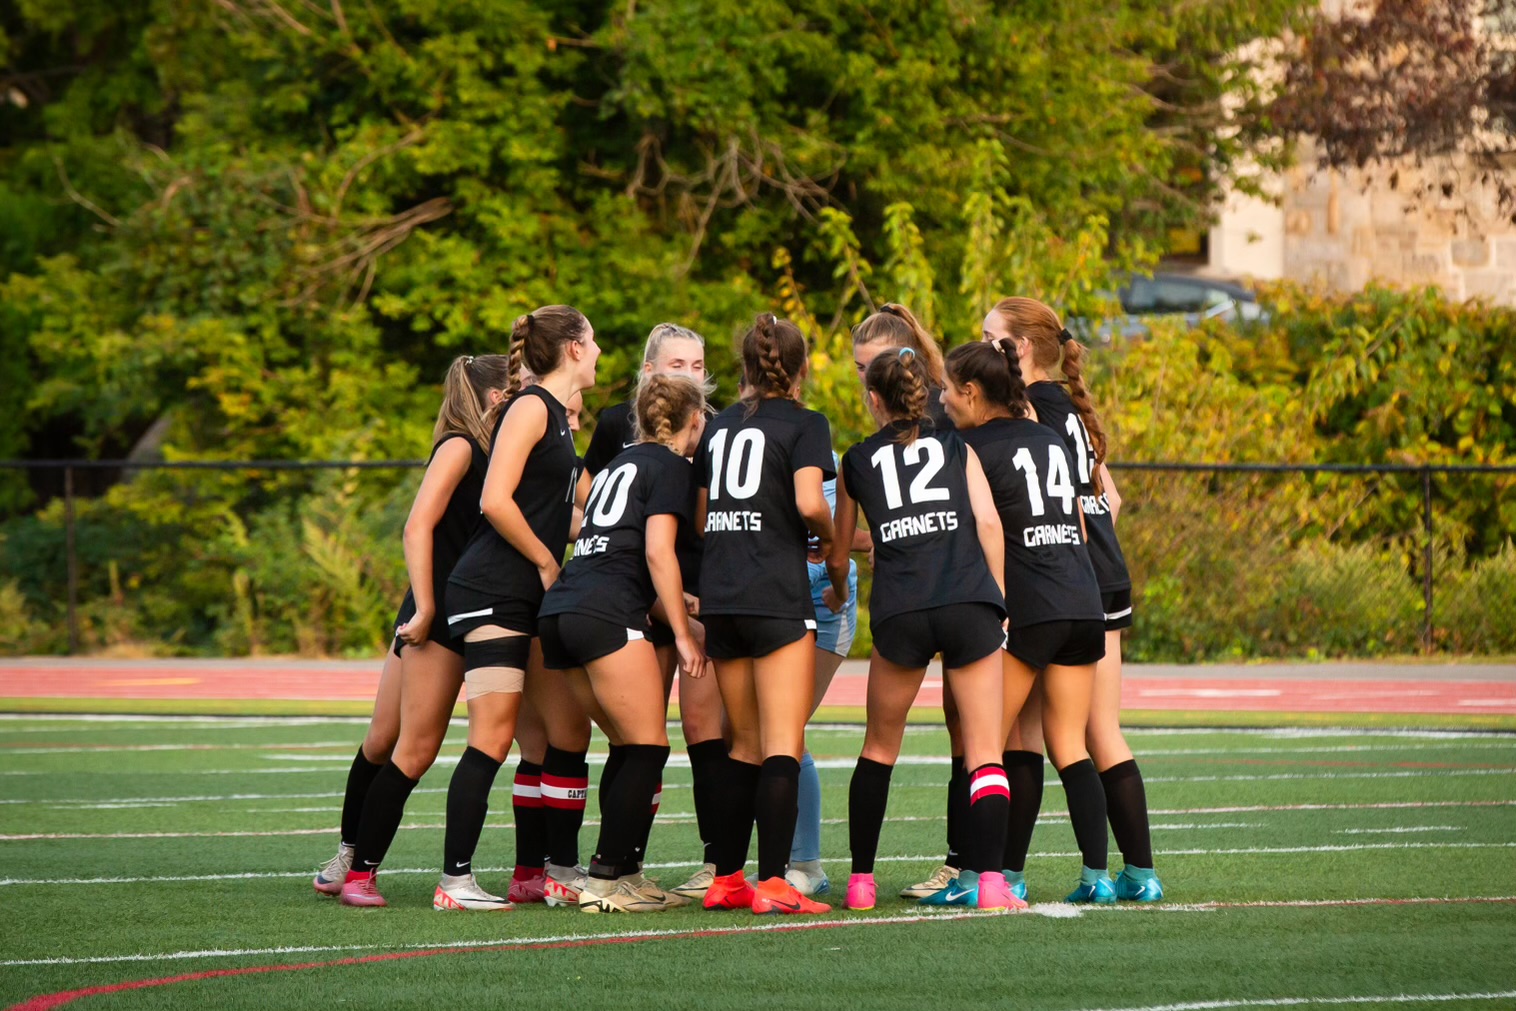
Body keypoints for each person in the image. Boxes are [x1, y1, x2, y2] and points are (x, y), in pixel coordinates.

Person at [340, 305, 598, 911]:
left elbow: (569, 508)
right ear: (572, 350)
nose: (599, 351)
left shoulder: (557, 419)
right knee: (448, 742)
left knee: (522, 739)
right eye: (592, 341)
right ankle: (426, 876)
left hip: (503, 595)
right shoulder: (528, 411)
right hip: (487, 594)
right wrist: (542, 561)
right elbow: (491, 504)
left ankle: (533, 871)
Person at [827, 346, 1019, 912]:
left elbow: (839, 554)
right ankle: (989, 884)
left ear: (873, 399)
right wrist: (999, 599)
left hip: (901, 608)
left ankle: (861, 884)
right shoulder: (957, 444)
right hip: (966, 599)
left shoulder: (856, 461)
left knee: (880, 747)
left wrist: (840, 592)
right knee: (986, 752)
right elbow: (987, 521)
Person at [986, 295, 1161, 903]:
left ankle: (1010, 872)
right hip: (1096, 573)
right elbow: (1108, 497)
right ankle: (1133, 873)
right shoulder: (1072, 406)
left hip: (1062, 577)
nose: (984, 346)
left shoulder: (1026, 408)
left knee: (1044, 734)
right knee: (1083, 732)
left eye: (991, 336)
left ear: (1022, 347)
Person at [314, 354, 508, 898]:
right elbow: (416, 525)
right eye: (513, 390)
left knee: (407, 744)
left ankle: (358, 860)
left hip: (484, 608)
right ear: (497, 398)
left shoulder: (508, 453)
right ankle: (354, 860)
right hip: (436, 612)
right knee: (395, 744)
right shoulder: (460, 447)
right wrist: (424, 606)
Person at [943, 337, 1113, 904]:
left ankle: (979, 876)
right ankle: (1097, 876)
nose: (943, 399)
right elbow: (1084, 527)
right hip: (1082, 598)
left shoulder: (970, 448)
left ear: (972, 393)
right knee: (1070, 745)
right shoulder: (1051, 440)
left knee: (980, 746)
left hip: (1029, 608)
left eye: (947, 389)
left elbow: (974, 531)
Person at [539, 373, 708, 912]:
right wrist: (682, 634)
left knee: (626, 743)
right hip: (604, 611)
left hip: (563, 608)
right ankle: (607, 879)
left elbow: (619, 551)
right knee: (648, 747)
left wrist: (680, 608)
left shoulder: (617, 463)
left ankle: (621, 871)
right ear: (695, 422)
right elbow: (658, 553)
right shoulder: (672, 466)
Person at [694, 313, 837, 915]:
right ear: (800, 368)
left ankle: (726, 878)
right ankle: (775, 883)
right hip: (776, 595)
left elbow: (701, 519)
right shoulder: (807, 423)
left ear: (744, 368)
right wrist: (827, 538)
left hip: (722, 597)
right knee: (783, 742)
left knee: (742, 746)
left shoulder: (718, 426)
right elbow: (810, 500)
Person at [581, 323, 728, 901]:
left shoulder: (716, 429)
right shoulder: (621, 422)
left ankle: (719, 862)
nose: (689, 375)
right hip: (634, 594)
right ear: (648, 372)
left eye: (697, 365)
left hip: (690, 593)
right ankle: (622, 867)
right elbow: (587, 496)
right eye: (676, 365)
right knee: (637, 736)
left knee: (697, 728)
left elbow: (709, 518)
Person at [783, 452, 859, 899]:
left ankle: (806, 863)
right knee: (748, 731)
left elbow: (834, 542)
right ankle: (728, 863)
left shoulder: (825, 457)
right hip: (773, 601)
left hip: (821, 605)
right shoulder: (738, 437)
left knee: (788, 730)